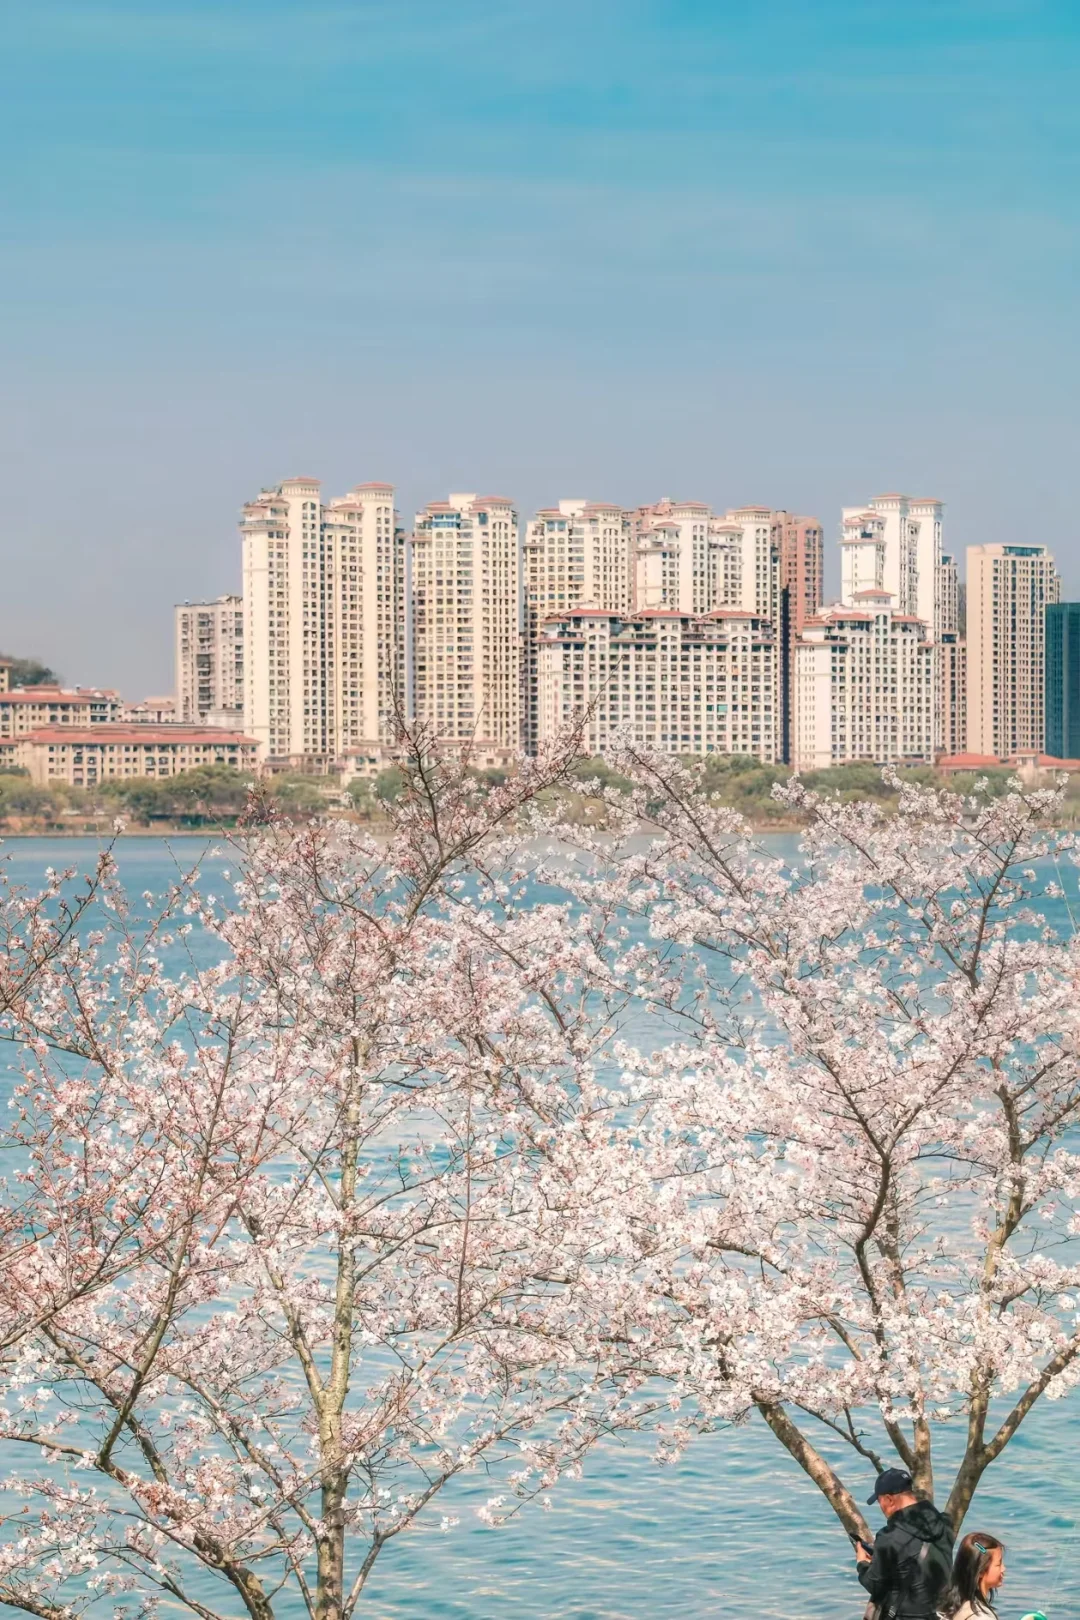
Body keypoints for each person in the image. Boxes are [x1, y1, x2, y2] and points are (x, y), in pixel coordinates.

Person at [855, 1467, 954, 1619]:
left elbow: (875, 1585)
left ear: (889, 1500)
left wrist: (862, 1564)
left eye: (880, 1501)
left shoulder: (888, 1537)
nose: (881, 1508)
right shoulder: (945, 1524)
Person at [938, 1532, 1006, 1618]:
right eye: (999, 1564)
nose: (1003, 1568)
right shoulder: (981, 1617)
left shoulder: (952, 1607)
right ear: (981, 1571)